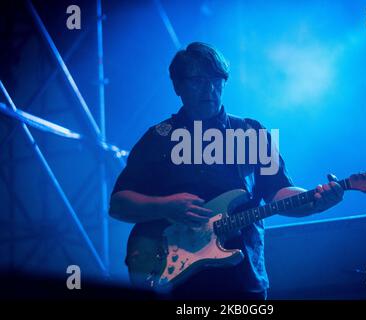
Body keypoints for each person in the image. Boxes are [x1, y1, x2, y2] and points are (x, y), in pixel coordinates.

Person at [109, 42, 344, 300]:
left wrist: (316, 203)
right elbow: (119, 204)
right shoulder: (158, 138)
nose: (209, 89)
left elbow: (278, 193)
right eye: (198, 80)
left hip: (242, 279)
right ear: (177, 86)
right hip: (174, 280)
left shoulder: (250, 133)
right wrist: (165, 206)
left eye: (216, 79)